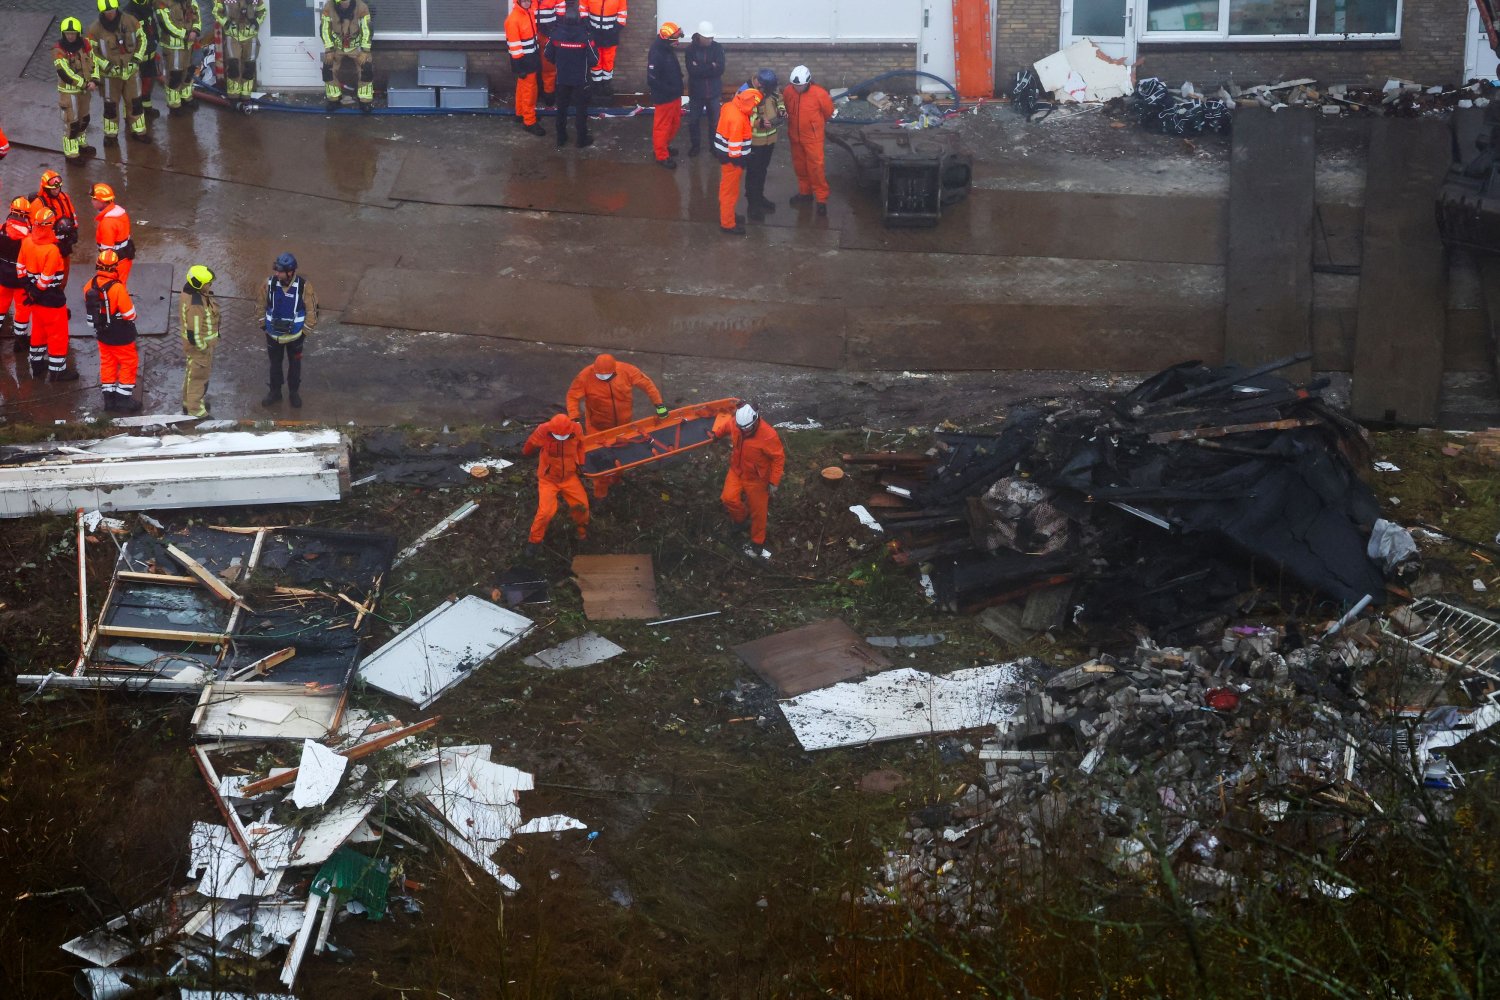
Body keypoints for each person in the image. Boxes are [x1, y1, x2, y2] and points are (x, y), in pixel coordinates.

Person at [565, 353, 667, 499]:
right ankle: (601, 494)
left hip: (623, 427)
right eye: (599, 375)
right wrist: (574, 418)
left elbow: (647, 385)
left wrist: (659, 404)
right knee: (601, 463)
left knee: (621, 456)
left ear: (614, 370)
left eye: (607, 375)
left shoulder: (627, 371)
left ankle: (617, 479)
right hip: (597, 427)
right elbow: (572, 396)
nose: (603, 377)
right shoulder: (585, 376)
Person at [710, 402, 784, 560]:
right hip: (736, 470)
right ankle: (741, 519)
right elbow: (727, 426)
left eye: (747, 428)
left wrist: (774, 481)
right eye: (741, 428)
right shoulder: (737, 422)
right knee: (728, 498)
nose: (743, 431)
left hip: (757, 479)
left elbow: (778, 458)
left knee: (759, 512)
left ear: (756, 420)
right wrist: (716, 434)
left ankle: (757, 541)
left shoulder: (768, 435)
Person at [522, 413, 590, 557]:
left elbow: (582, 446)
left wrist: (582, 464)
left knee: (582, 506)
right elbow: (531, 442)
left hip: (569, 478)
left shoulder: (577, 429)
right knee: (545, 512)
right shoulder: (542, 430)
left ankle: (581, 533)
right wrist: (525, 453)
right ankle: (534, 542)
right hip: (548, 480)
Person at [18, 208, 73, 381]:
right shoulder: (52, 250)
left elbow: (20, 267)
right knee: (57, 335)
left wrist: (29, 289)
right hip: (51, 298)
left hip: (34, 298)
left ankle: (37, 364)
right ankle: (58, 372)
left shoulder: (27, 241)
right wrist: (36, 291)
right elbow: (47, 277)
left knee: (38, 330)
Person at [83, 249, 142, 412]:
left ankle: (109, 400)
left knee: (107, 362)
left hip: (102, 333)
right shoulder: (117, 288)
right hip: (121, 333)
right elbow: (130, 315)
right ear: (115, 267)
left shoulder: (89, 285)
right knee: (129, 363)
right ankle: (123, 399)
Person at [87, 0, 152, 145]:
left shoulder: (131, 21)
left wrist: (136, 59)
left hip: (131, 72)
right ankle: (110, 136)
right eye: (107, 12)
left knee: (135, 103)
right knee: (110, 106)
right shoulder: (94, 29)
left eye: (112, 11)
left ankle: (139, 131)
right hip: (110, 76)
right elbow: (91, 52)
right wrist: (107, 65)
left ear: (117, 8)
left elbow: (142, 39)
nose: (110, 14)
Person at [262, 251, 319, 408]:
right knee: (275, 365)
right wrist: (263, 326)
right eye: (276, 270)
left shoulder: (304, 286)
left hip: (296, 337)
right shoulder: (269, 284)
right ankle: (275, 392)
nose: (276, 273)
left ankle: (294, 392)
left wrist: (305, 332)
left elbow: (312, 311)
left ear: (290, 271)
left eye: (280, 271)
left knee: (295, 365)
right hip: (273, 336)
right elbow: (260, 305)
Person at [543, 1, 598, 149]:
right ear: (579, 18)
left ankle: (561, 138)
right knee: (581, 110)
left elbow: (547, 54)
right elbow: (594, 59)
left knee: (561, 109)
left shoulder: (555, 34)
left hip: (562, 79)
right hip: (580, 80)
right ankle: (581, 139)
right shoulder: (585, 36)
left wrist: (560, 61)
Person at [784, 64, 834, 216]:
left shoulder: (819, 94)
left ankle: (821, 199)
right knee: (800, 167)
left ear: (808, 82)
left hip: (813, 139)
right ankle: (805, 193)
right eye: (795, 86)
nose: (797, 88)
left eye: (800, 86)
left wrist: (814, 127)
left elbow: (828, 112)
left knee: (816, 169)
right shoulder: (788, 91)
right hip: (795, 137)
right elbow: (786, 106)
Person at [714, 86, 761, 235]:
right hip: (732, 161)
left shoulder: (730, 107)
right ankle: (727, 224)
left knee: (726, 189)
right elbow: (734, 147)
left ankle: (727, 215)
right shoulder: (738, 119)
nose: (754, 109)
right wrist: (739, 161)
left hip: (725, 157)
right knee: (730, 192)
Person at [54, 18, 99, 164]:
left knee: (84, 119)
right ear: (63, 33)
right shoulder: (58, 50)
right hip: (69, 92)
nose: (70, 36)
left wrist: (95, 79)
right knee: (71, 124)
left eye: (73, 33)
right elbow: (65, 73)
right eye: (67, 34)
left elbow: (94, 61)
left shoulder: (85, 44)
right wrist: (85, 84)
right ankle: (71, 154)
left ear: (78, 33)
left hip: (84, 90)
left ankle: (81, 144)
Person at [744, 69, 784, 223]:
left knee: (762, 170)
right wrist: (759, 122)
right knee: (753, 172)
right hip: (755, 141)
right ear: (760, 84)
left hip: (770, 138)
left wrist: (781, 111)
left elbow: (779, 100)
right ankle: (752, 205)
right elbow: (744, 116)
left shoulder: (770, 88)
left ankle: (759, 198)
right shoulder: (746, 92)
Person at [179, 264, 218, 417]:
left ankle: (188, 403)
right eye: (208, 283)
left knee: (191, 375)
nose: (210, 285)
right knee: (198, 379)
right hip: (199, 349)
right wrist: (203, 348)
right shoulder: (196, 305)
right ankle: (196, 412)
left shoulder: (188, 292)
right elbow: (194, 334)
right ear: (199, 285)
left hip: (193, 348)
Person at [505, 0, 548, 136]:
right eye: (524, 1)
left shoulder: (528, 13)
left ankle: (520, 113)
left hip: (531, 57)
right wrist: (519, 67)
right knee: (530, 90)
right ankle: (529, 121)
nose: (527, 3)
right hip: (524, 61)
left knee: (523, 87)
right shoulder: (513, 20)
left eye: (528, 0)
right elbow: (515, 47)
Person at [321, 0, 373, 112]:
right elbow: (325, 28)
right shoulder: (328, 6)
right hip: (337, 46)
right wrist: (329, 49)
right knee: (327, 69)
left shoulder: (361, 7)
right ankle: (334, 99)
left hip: (356, 46)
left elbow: (366, 29)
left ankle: (365, 101)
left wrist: (365, 51)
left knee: (366, 68)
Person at [645, 21, 684, 168]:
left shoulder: (666, 49)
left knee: (674, 124)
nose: (677, 41)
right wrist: (670, 90)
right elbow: (652, 79)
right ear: (667, 39)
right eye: (675, 39)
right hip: (665, 98)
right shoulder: (657, 52)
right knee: (662, 127)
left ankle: (664, 147)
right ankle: (661, 156)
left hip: (674, 95)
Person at [684, 21, 724, 158]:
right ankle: (695, 146)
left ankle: (714, 147)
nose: (710, 40)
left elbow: (720, 69)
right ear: (700, 36)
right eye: (708, 38)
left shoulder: (717, 48)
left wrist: (701, 66)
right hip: (696, 93)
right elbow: (692, 71)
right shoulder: (690, 50)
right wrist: (711, 66)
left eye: (711, 37)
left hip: (713, 92)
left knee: (715, 121)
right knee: (694, 120)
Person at [214, 0, 266, 104]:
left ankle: (246, 96)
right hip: (232, 36)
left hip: (250, 36)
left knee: (249, 67)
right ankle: (233, 97)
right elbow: (216, 11)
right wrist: (226, 22)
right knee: (233, 66)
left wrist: (257, 22)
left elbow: (262, 11)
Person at [157, 0, 201, 113]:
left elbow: (197, 18)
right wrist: (186, 35)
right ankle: (174, 104)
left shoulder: (191, 2)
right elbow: (167, 25)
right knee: (175, 75)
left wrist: (195, 31)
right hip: (173, 47)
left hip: (189, 45)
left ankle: (186, 97)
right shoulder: (162, 3)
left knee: (188, 73)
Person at [0, 197, 31, 356]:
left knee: (1, 306)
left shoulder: (2, 228)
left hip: (3, 277)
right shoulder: (29, 237)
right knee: (22, 309)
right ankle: (20, 340)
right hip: (21, 280)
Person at [35, 172, 79, 280]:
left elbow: (72, 215)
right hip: (49, 248)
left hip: (65, 245)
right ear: (45, 188)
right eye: (53, 189)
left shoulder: (64, 197)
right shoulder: (38, 204)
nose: (56, 190)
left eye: (58, 188)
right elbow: (36, 231)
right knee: (50, 277)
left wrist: (74, 232)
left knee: (64, 275)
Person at [123, 0, 162, 117]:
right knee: (134, 87)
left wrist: (155, 41)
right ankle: (130, 114)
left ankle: (147, 107)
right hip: (138, 57)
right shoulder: (129, 12)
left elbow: (152, 25)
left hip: (150, 53)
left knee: (148, 82)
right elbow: (129, 38)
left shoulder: (147, 5)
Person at [91, 184, 135, 285]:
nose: (92, 201)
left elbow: (107, 251)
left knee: (113, 289)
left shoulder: (107, 223)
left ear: (101, 201)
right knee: (120, 285)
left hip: (115, 263)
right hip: (124, 259)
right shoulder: (120, 214)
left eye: (94, 199)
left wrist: (104, 269)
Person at [585, 0, 626, 94]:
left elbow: (622, 15)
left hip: (611, 34)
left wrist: (614, 31)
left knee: (608, 60)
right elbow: (583, 8)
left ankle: (606, 84)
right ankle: (597, 85)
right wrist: (587, 25)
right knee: (596, 59)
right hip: (594, 33)